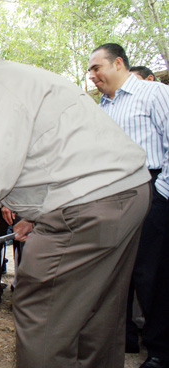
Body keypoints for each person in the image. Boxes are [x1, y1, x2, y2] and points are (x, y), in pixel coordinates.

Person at [0, 28, 151, 368]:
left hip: (92, 206)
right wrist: (32, 215)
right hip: (121, 194)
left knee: (40, 309)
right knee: (96, 314)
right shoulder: (8, 81)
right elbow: (42, 154)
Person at [88, 43, 169, 367]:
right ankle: (124, 339)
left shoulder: (153, 94)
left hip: (152, 190)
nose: (92, 76)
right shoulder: (101, 108)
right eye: (90, 70)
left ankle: (161, 350)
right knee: (118, 269)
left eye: (97, 68)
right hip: (112, 195)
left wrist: (161, 193)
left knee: (153, 274)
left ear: (118, 62)